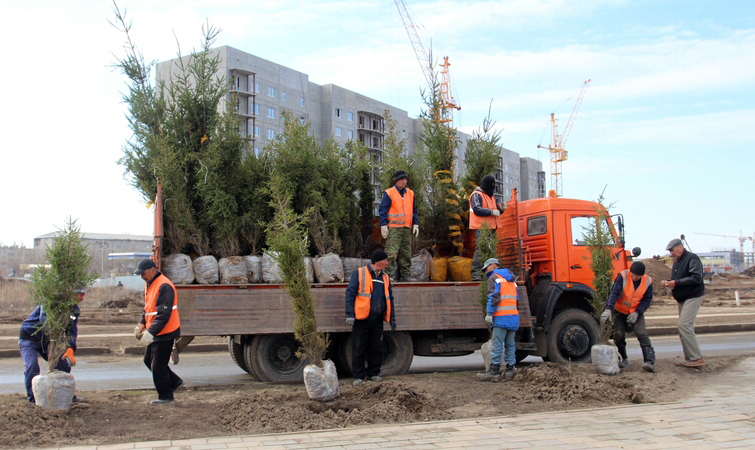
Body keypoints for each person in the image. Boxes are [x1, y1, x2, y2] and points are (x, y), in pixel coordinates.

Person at [18, 287, 86, 404]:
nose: (82, 298)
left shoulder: (74, 310)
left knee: (63, 365)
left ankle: (67, 397)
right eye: (79, 295)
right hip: (30, 338)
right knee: (32, 366)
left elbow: (71, 331)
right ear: (70, 294)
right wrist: (54, 336)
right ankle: (33, 400)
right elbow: (44, 319)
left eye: (83, 295)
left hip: (48, 341)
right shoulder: (51, 302)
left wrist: (70, 348)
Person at [133, 258, 183, 405]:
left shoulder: (164, 285)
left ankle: (166, 396)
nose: (141, 276)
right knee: (148, 360)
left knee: (158, 365)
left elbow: (164, 314)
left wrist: (151, 332)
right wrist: (141, 324)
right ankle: (174, 382)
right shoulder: (150, 284)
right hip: (157, 331)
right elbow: (148, 308)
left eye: (143, 273)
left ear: (153, 270)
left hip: (166, 331)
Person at [344, 250, 396, 386]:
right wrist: (350, 314)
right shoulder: (360, 273)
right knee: (359, 347)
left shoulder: (385, 277)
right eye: (385, 260)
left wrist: (392, 318)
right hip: (361, 318)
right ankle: (359, 376)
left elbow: (390, 298)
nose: (387, 263)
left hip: (377, 319)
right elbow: (350, 293)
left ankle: (373, 373)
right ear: (378, 261)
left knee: (376, 347)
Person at [600, 261, 656, 372]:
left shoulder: (647, 281)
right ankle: (623, 358)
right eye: (633, 274)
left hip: (635, 312)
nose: (634, 277)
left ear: (641, 276)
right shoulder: (623, 276)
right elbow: (614, 293)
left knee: (642, 334)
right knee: (619, 336)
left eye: (637, 276)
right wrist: (608, 309)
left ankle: (649, 361)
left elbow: (647, 300)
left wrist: (637, 312)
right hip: (619, 311)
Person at [661, 238, 706, 368]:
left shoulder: (692, 259)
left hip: (693, 296)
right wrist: (669, 282)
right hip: (683, 297)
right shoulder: (677, 262)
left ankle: (697, 357)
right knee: (685, 328)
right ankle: (691, 358)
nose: (671, 253)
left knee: (684, 325)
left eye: (672, 250)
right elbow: (678, 279)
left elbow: (696, 278)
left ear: (680, 247)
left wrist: (675, 283)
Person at [476, 258, 519, 381]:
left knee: (497, 345)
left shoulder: (494, 278)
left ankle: (494, 372)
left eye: (486, 268)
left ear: (493, 265)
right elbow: (517, 300)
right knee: (510, 345)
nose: (485, 272)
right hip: (513, 317)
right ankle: (510, 370)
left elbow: (494, 298)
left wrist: (489, 314)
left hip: (501, 317)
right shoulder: (511, 279)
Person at [378, 170, 419, 281]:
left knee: (406, 253)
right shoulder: (390, 193)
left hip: (406, 228)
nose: (404, 182)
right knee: (391, 253)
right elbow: (382, 210)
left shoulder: (410, 193)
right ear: (396, 180)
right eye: (401, 179)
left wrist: (416, 223)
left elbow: (414, 210)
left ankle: (405, 275)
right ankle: (386, 275)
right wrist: (383, 225)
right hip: (394, 229)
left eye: (405, 179)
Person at [469, 175, 505, 281]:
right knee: (481, 249)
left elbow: (496, 209)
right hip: (481, 227)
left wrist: (501, 209)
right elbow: (477, 209)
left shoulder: (490, 196)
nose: (492, 189)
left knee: (490, 250)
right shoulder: (476, 195)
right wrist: (491, 212)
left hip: (491, 227)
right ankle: (475, 272)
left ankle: (487, 274)